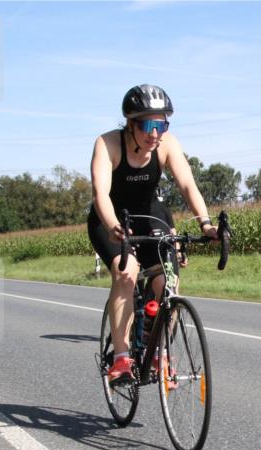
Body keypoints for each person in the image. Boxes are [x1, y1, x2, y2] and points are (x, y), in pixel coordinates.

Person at [88, 84, 218, 383]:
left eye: (161, 125)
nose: (155, 133)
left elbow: (187, 185)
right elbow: (101, 194)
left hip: (148, 216)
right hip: (109, 218)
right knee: (127, 273)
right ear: (131, 124)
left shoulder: (167, 144)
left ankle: (159, 351)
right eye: (148, 125)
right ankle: (121, 359)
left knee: (168, 282)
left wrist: (206, 224)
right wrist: (112, 226)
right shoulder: (108, 144)